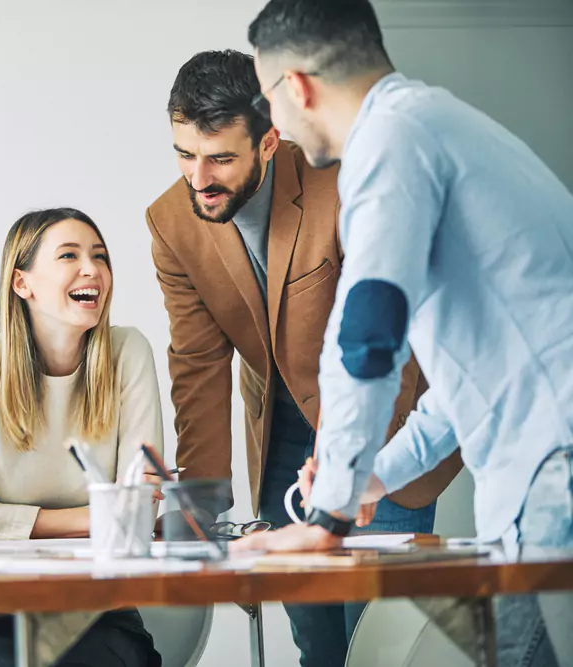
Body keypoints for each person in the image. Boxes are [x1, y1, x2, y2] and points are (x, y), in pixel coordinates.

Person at [240, 1, 573, 664]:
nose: (272, 122)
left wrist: (330, 511)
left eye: (264, 97)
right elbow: (463, 386)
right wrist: (374, 478)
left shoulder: (389, 143)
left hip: (553, 472)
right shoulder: (437, 126)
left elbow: (366, 335)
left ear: (296, 87)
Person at [146, 49, 460, 666]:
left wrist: (361, 461)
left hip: (380, 419)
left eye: (221, 158)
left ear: (269, 142)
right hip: (282, 434)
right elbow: (197, 367)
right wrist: (203, 506)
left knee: (379, 636)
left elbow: (382, 337)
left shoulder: (341, 183)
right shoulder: (170, 222)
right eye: (184, 154)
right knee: (315, 640)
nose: (198, 178)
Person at [0, 208, 163, 666]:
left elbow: (140, 507)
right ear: (22, 283)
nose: (92, 269)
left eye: (99, 256)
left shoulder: (129, 352)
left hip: (105, 611)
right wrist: (99, 515)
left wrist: (20, 522)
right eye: (69, 255)